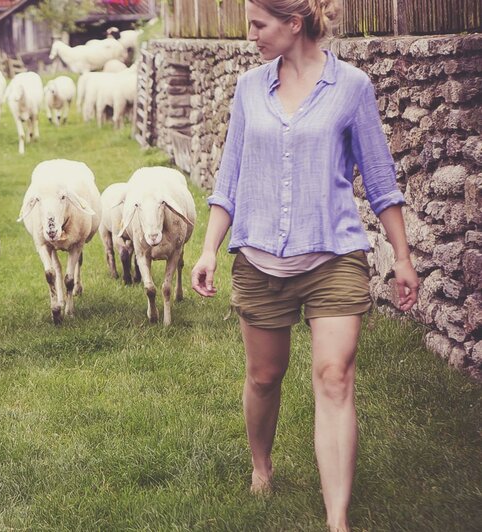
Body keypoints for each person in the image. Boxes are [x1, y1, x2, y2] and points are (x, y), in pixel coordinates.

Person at [189, 0, 419, 530]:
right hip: (259, 259)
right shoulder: (249, 89)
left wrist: (402, 257)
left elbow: (381, 180)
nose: (250, 35)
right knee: (265, 377)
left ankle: (336, 519)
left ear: (294, 24)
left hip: (334, 256)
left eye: (258, 24)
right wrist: (207, 250)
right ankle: (261, 466)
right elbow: (230, 175)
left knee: (335, 377)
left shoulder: (352, 87)